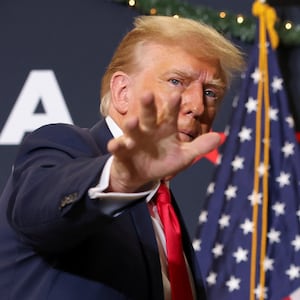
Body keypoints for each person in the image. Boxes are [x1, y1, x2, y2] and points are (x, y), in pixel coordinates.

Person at [0, 15, 244, 300]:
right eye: (177, 81)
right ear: (122, 92)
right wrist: (119, 178)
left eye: (210, 92)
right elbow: (38, 209)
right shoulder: (62, 145)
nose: (198, 105)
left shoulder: (164, 209)